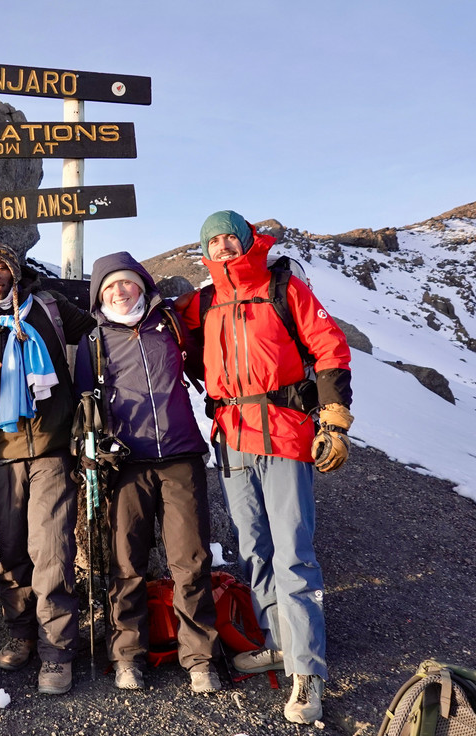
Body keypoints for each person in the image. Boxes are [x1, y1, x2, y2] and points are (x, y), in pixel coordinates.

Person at [182, 210, 353, 724]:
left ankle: (307, 672)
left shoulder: (284, 288)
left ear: (246, 240)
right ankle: (280, 643)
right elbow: (171, 334)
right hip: (230, 438)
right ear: (205, 252)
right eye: (212, 242)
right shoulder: (203, 301)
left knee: (293, 552)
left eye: (229, 238)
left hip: (282, 432)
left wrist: (334, 419)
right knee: (254, 548)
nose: (223, 248)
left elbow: (329, 348)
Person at [0, 240, 95, 695]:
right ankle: (22, 632)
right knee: (12, 550)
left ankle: (56, 650)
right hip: (0, 451)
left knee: (51, 548)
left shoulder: (48, 308)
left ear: (14, 270)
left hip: (52, 447)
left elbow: (99, 333)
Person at [76, 252, 222, 694]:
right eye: (109, 287)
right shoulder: (94, 341)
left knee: (191, 561)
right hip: (126, 464)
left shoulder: (170, 325)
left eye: (126, 283)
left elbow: (208, 367)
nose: (119, 292)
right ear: (99, 296)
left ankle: (199, 658)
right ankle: (127, 656)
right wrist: (89, 451)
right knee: (126, 563)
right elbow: (85, 404)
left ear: (142, 284)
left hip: (180, 456)